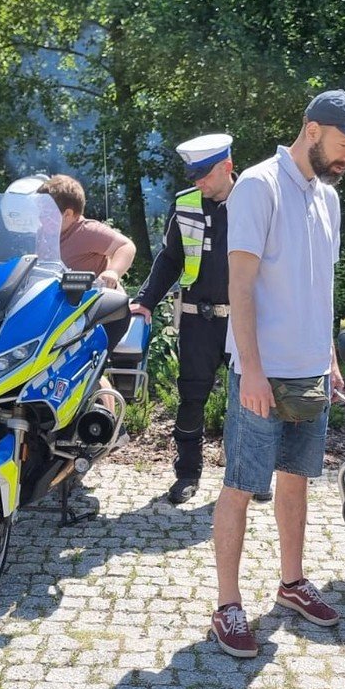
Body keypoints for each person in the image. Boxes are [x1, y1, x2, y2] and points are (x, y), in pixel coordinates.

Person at [210, 89, 345, 658]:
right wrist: (252, 371)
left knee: (297, 481)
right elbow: (239, 287)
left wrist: (330, 356)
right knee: (240, 485)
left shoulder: (327, 198)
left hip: (310, 370)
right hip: (263, 374)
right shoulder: (258, 187)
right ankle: (228, 606)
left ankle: (291, 584)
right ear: (312, 130)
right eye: (344, 145)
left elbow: (321, 288)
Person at [131, 133, 243, 505]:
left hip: (246, 320)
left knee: (253, 401)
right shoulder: (186, 205)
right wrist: (145, 301)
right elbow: (169, 259)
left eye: (204, 174)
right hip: (199, 319)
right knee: (191, 397)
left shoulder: (256, 200)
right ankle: (187, 473)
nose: (196, 181)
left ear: (226, 167)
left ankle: (248, 475)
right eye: (192, 174)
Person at [38, 174, 137, 348]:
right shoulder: (43, 234)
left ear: (67, 214)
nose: (40, 218)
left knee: (85, 360)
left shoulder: (87, 231)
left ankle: (99, 374)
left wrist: (113, 271)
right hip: (64, 312)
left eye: (45, 213)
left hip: (102, 311)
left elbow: (126, 246)